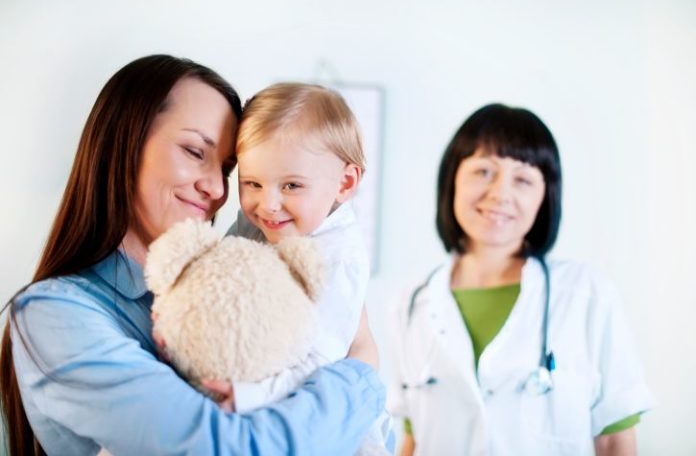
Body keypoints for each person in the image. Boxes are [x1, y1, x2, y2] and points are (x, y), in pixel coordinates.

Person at [0, 55, 385, 456]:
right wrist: (361, 369)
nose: (218, 189)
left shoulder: (234, 283)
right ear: (125, 141)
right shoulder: (55, 311)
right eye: (194, 151)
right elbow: (221, 448)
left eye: (227, 167)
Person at [387, 103, 654, 455]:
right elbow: (412, 439)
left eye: (523, 179)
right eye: (483, 171)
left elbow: (615, 439)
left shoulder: (587, 294)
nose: (500, 193)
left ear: (545, 197)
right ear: (452, 179)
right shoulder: (410, 303)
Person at [226, 83, 392, 453]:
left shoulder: (339, 256)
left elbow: (320, 361)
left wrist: (246, 395)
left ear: (344, 183)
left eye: (292, 185)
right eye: (251, 182)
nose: (267, 204)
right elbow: (219, 274)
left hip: (325, 425)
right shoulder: (257, 223)